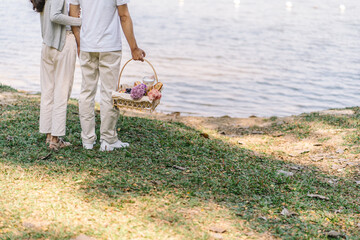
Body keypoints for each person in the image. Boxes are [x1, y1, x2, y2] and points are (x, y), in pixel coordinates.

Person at [69, 0, 146, 151]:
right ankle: (108, 139)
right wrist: (134, 48)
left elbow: (73, 13)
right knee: (109, 93)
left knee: (86, 92)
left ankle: (87, 140)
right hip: (109, 46)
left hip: (87, 45)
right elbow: (124, 16)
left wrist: (80, 43)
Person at [30, 0, 81, 150]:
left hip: (47, 45)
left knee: (48, 91)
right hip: (63, 42)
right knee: (61, 92)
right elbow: (55, 16)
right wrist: (81, 21)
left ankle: (48, 135)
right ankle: (55, 139)